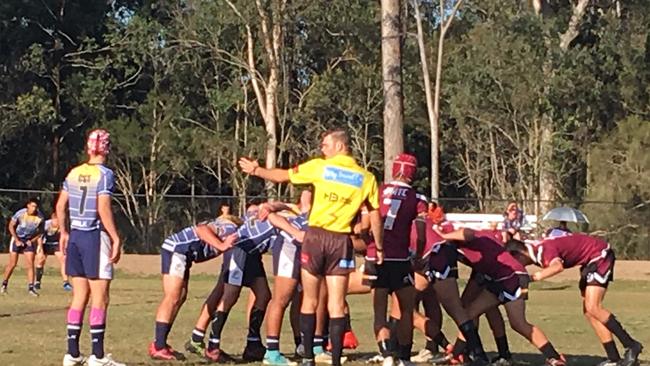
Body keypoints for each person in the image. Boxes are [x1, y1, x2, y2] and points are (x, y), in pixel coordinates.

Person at [239, 128, 383, 366]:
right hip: (340, 240)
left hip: (315, 238)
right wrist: (378, 246)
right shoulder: (366, 178)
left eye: (326, 145)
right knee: (336, 303)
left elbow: (283, 176)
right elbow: (375, 215)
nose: (322, 149)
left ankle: (308, 358)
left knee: (309, 299)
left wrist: (257, 170)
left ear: (339, 146)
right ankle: (334, 359)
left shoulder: (321, 167)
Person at [506, 233, 644, 366]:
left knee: (593, 307)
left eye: (515, 262)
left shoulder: (542, 251)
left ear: (519, 254)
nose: (519, 266)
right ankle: (614, 358)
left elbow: (557, 267)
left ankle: (631, 345)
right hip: (590, 260)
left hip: (599, 255)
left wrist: (532, 278)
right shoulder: (534, 248)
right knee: (589, 312)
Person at [435, 228, 565, 366]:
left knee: (518, 323)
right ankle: (456, 354)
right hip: (498, 278)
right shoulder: (479, 239)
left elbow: (468, 232)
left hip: (512, 277)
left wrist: (443, 235)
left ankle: (554, 357)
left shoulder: (461, 238)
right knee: (469, 314)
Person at [57, 129, 125, 366]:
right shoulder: (105, 174)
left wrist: (64, 232)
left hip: (75, 235)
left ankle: (72, 352)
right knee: (100, 297)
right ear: (107, 148)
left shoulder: (74, 172)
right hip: (95, 237)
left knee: (79, 297)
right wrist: (116, 237)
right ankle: (97, 356)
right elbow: (103, 207)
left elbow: (60, 205)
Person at [148, 214, 238, 361]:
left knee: (180, 297)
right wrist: (221, 245)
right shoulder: (230, 228)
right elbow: (201, 229)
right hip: (177, 250)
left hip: (184, 255)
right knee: (173, 297)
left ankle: (161, 343)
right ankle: (158, 346)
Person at [366, 153, 427, 366]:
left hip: (376, 256)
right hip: (400, 259)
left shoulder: (378, 191)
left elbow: (365, 225)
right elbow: (420, 232)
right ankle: (404, 356)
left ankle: (386, 355)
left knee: (379, 312)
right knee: (407, 310)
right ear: (412, 173)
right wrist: (418, 255)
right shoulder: (417, 199)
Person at [1, 197, 45, 296]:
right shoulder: (20, 213)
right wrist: (16, 240)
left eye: (36, 207)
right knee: (12, 264)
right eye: (33, 206)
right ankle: (4, 285)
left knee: (30, 264)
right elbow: (11, 226)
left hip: (28, 240)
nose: (34, 208)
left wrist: (32, 240)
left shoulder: (40, 217)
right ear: (28, 206)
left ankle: (31, 288)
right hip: (17, 238)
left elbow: (41, 231)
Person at [34, 212, 72, 291]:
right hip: (45, 243)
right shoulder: (45, 224)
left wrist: (64, 249)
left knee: (63, 259)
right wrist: (40, 249)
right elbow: (39, 237)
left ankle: (66, 282)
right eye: (56, 220)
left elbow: (65, 237)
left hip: (56, 243)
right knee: (40, 259)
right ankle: (37, 282)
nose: (58, 223)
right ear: (52, 219)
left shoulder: (63, 225)